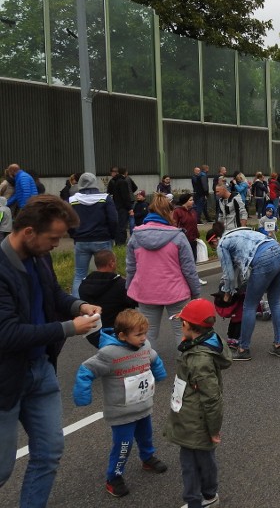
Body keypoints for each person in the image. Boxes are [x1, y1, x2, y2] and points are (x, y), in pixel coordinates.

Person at [0, 195, 102, 508]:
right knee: (2, 469)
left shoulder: (39, 257)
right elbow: (7, 334)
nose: (57, 245)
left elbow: (53, 293)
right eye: (53, 238)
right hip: (5, 380)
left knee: (48, 453)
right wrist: (70, 327)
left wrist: (79, 305)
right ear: (28, 232)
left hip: (41, 371)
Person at [73, 309, 169, 498]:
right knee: (123, 446)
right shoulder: (109, 354)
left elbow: (153, 357)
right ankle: (114, 477)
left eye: (144, 333)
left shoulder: (144, 346)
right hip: (122, 414)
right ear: (122, 335)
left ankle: (147, 458)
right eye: (138, 334)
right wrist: (82, 395)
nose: (143, 338)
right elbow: (86, 370)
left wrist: (160, 373)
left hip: (143, 406)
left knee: (146, 436)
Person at [165, 299, 231, 508]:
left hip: (195, 420)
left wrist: (213, 429)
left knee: (192, 463)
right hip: (192, 416)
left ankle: (198, 500)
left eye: (182, 321)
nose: (180, 324)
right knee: (200, 460)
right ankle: (206, 496)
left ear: (188, 326)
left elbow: (212, 398)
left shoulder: (199, 359)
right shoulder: (203, 344)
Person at [206, 221, 280, 361]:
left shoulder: (222, 243)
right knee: (275, 302)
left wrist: (227, 293)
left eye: (213, 246)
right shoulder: (240, 231)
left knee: (249, 306)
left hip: (264, 258)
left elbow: (229, 275)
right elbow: (238, 267)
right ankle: (279, 345)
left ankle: (243, 349)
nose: (216, 249)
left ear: (214, 240)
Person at [126, 193, 201, 348]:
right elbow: (189, 269)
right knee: (182, 332)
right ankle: (185, 370)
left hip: (146, 291)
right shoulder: (178, 237)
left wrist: (129, 288)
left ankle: (144, 368)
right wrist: (195, 292)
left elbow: (131, 267)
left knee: (147, 334)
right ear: (169, 213)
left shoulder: (136, 236)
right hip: (176, 292)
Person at [69, 172, 118, 298]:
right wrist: (112, 235)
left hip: (81, 241)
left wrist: (74, 235)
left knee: (80, 274)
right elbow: (113, 219)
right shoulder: (105, 198)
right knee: (107, 272)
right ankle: (105, 300)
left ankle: (77, 304)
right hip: (102, 239)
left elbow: (68, 221)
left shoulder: (73, 200)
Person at [79, 249, 137, 348]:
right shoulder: (120, 284)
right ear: (111, 263)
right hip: (117, 331)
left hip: (93, 332)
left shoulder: (84, 285)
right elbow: (133, 302)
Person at [173, 194, 201, 262]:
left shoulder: (193, 212)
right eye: (190, 200)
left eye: (193, 200)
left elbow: (194, 225)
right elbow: (174, 226)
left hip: (193, 240)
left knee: (193, 260)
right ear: (185, 201)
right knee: (186, 261)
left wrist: (197, 235)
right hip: (184, 241)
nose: (193, 201)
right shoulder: (177, 211)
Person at [112, 168, 134, 245]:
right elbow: (125, 196)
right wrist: (130, 208)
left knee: (118, 225)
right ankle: (121, 242)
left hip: (116, 206)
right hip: (123, 207)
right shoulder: (123, 182)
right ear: (126, 172)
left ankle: (118, 242)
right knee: (122, 225)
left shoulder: (115, 181)